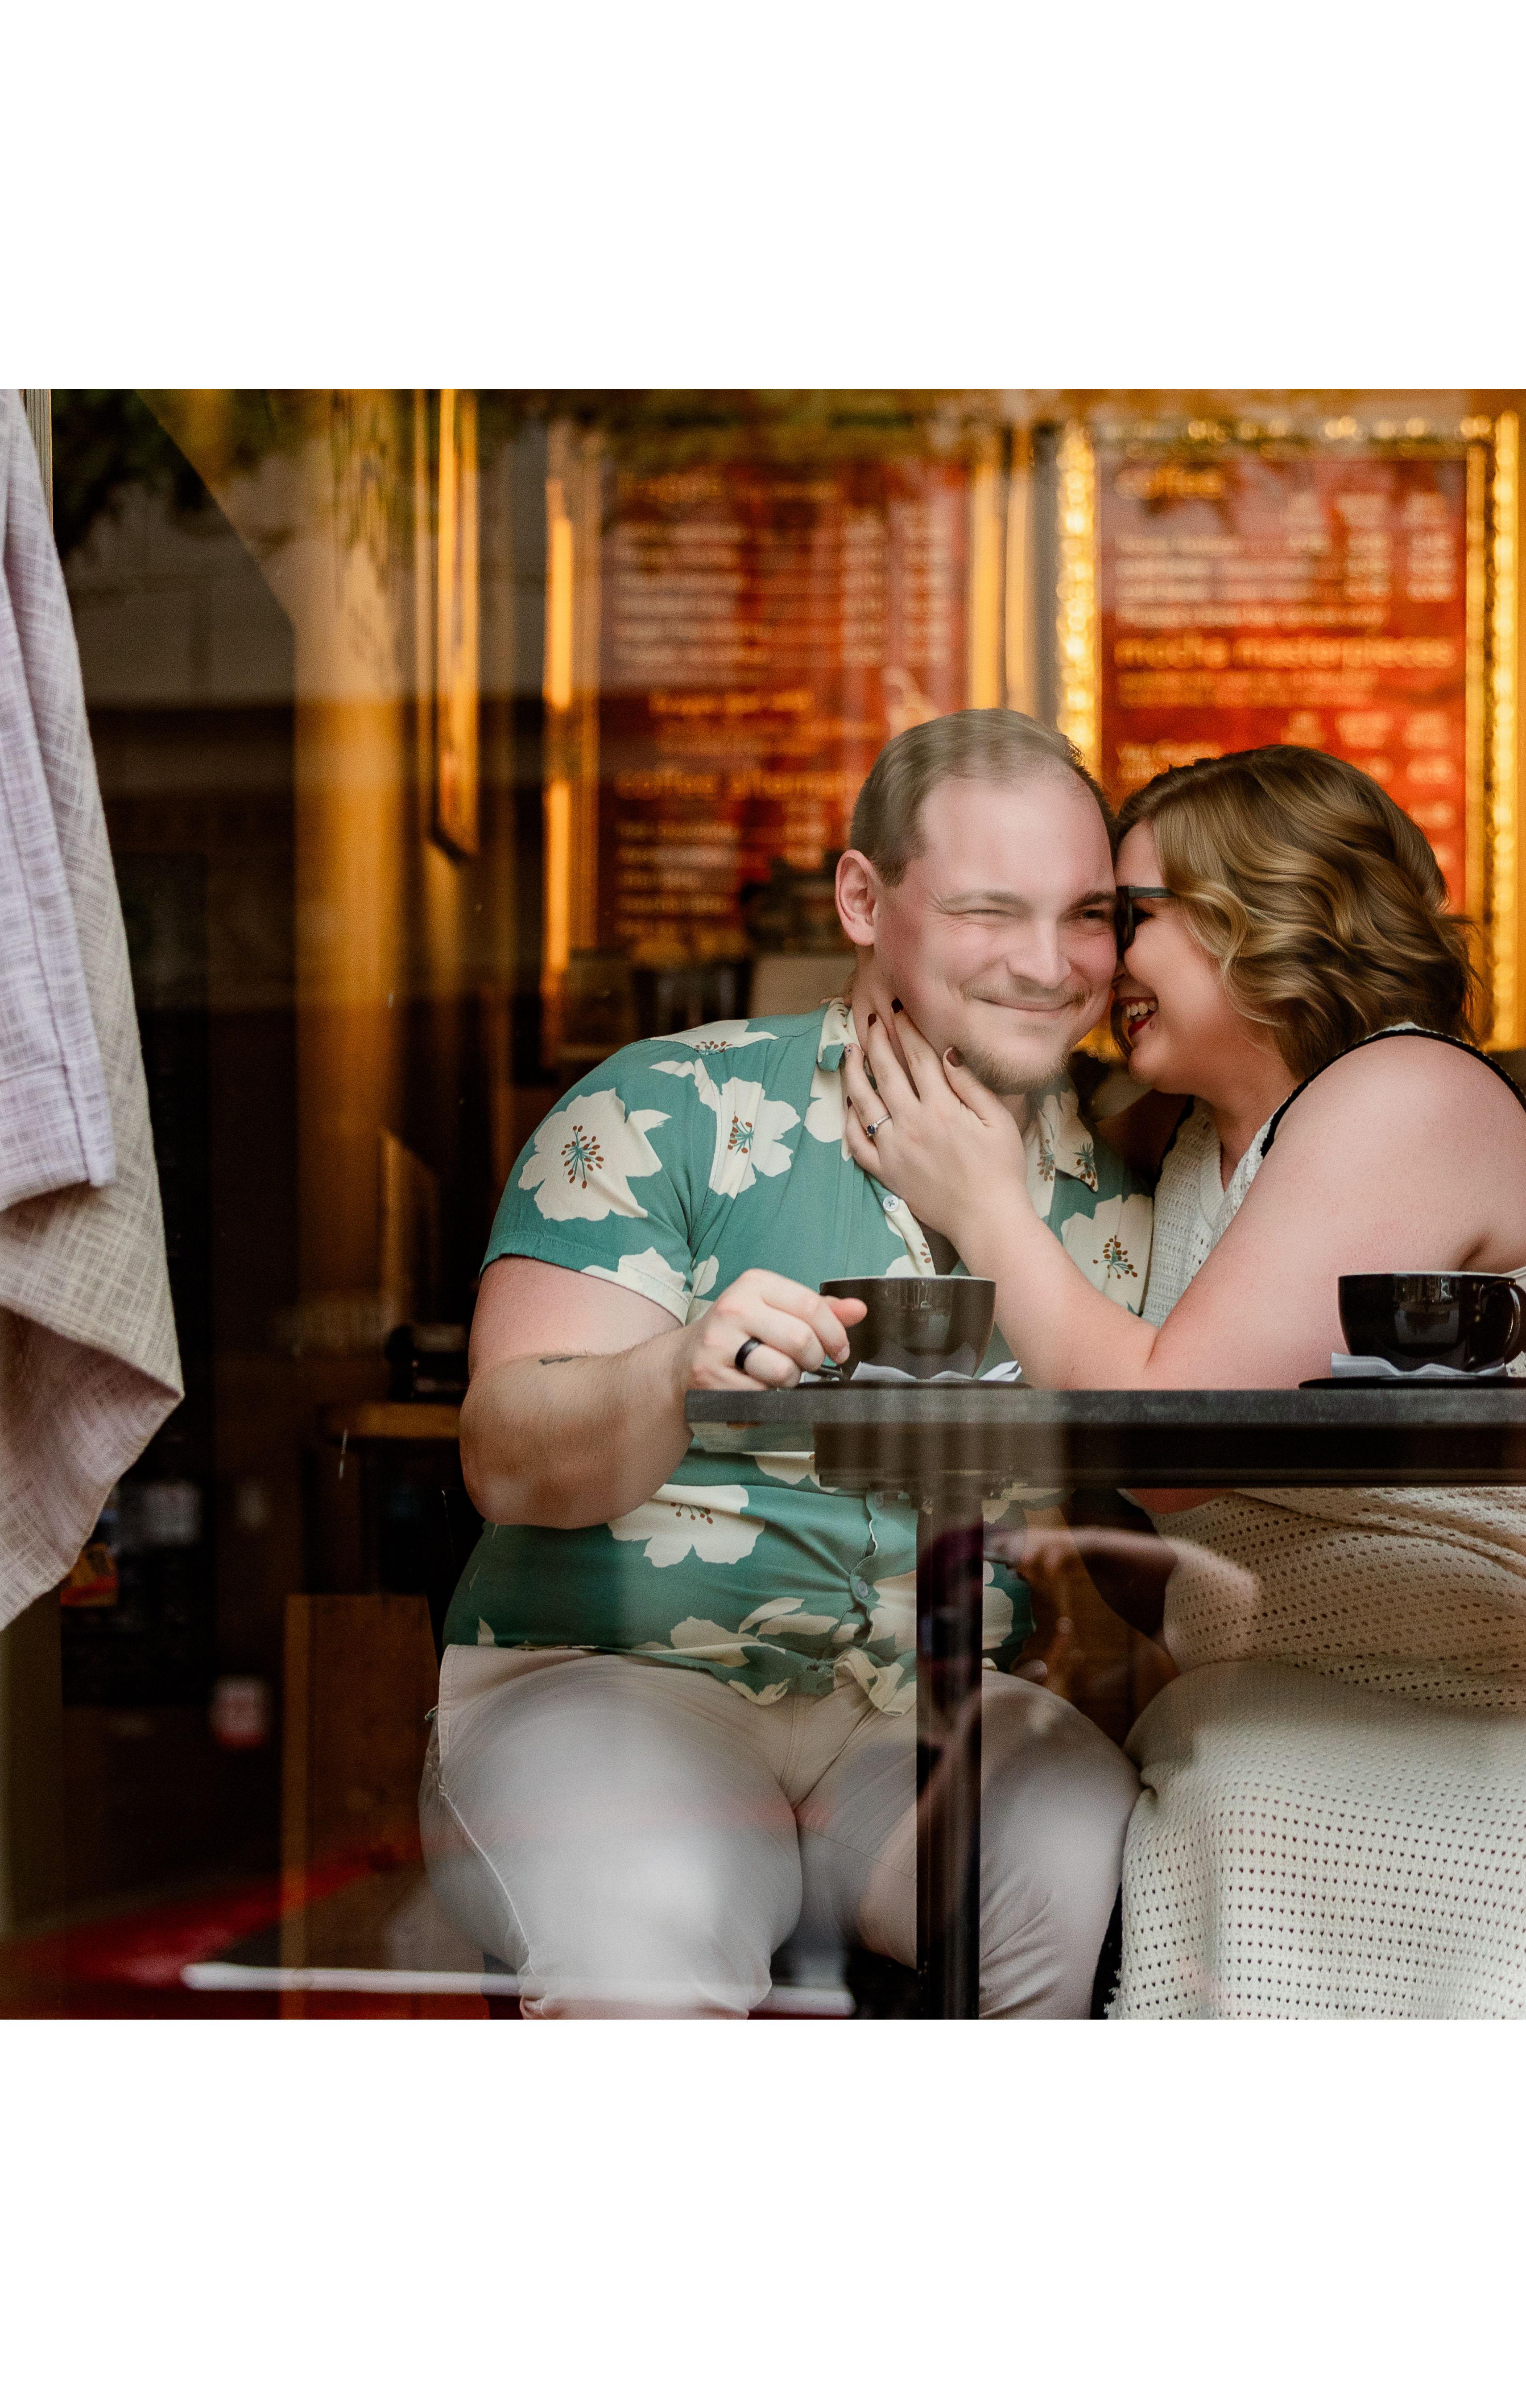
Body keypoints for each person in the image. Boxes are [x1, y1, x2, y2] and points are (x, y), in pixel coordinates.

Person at [844, 745, 1526, 2017]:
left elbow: (1174, 1444)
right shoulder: (1185, 1150)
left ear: (1268, 911)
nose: (1099, 962)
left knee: (1513, 1856)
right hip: (1295, 1702)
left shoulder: (1411, 1092)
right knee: (1240, 1793)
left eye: (1129, 915)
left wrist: (983, 1204)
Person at [426, 709, 1151, 2016]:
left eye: (1088, 917)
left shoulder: (1123, 1197)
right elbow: (505, 1459)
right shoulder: (666, 1106)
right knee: (646, 1914)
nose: (1051, 965)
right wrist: (673, 1370)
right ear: (863, 901)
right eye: (990, 910)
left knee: (1078, 1855)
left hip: (939, 1705)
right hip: (611, 1681)